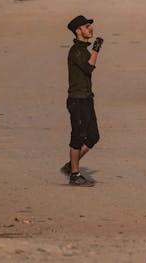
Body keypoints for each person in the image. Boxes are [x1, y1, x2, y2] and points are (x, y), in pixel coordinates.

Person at [60, 14, 103, 187]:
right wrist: (96, 49)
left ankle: (71, 165)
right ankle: (75, 175)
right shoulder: (76, 51)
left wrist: (93, 50)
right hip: (77, 100)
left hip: (86, 98)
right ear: (78, 31)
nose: (90, 29)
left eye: (89, 26)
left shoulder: (82, 49)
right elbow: (89, 67)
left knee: (93, 136)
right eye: (86, 27)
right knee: (77, 136)